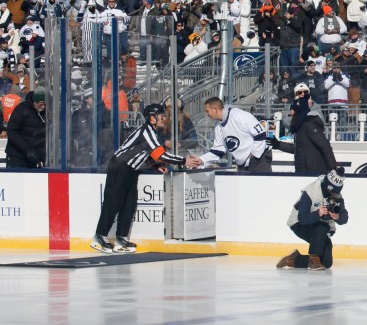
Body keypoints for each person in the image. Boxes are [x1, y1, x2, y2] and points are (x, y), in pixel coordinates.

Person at [90, 104, 199, 253]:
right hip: (119, 167)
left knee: (129, 204)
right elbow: (160, 154)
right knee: (113, 202)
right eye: (161, 116)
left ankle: (121, 238)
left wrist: (155, 166)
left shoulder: (153, 133)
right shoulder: (146, 132)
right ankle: (99, 236)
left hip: (132, 169)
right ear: (152, 118)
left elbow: (145, 153)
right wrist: (184, 161)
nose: (164, 118)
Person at [279, 167, 349, 271]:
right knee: (322, 227)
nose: (331, 195)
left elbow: (344, 218)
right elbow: (302, 218)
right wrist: (318, 213)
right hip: (298, 223)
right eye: (329, 192)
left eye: (333, 193)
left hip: (319, 228)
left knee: (326, 262)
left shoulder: (337, 195)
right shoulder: (311, 191)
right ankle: (313, 259)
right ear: (325, 185)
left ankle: (294, 259)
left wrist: (337, 217)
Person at [268, 83, 336, 173]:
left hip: (313, 171)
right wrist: (279, 145)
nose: (303, 94)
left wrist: (333, 170)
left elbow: (325, 146)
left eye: (305, 92)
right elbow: (298, 148)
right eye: (300, 92)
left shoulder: (309, 122)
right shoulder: (300, 125)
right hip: (302, 171)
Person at [197, 97, 273, 172]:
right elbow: (218, 151)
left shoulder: (239, 115)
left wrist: (254, 156)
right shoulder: (218, 127)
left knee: (261, 184)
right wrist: (201, 160)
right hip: (243, 164)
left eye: (207, 111)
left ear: (215, 109)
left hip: (260, 159)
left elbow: (260, 134)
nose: (207, 114)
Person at [5, 90, 47, 168]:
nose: (43, 107)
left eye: (45, 105)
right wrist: (27, 149)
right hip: (17, 155)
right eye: (40, 105)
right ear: (34, 102)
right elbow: (12, 132)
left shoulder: (48, 112)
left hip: (36, 157)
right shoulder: (21, 109)